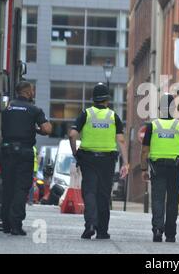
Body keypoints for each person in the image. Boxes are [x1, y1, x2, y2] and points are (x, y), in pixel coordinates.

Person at [69, 83, 129, 240]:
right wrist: (126, 163)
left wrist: (75, 152)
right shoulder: (113, 116)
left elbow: (72, 134)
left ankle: (89, 225)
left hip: (88, 158)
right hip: (107, 161)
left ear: (93, 99)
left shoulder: (86, 114)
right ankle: (102, 231)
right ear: (107, 100)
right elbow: (121, 140)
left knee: (89, 191)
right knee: (103, 194)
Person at [140, 94, 179, 243]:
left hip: (157, 168)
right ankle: (170, 233)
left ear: (159, 109)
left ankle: (158, 229)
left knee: (158, 199)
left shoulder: (152, 126)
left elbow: (145, 150)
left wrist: (144, 169)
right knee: (172, 201)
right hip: (174, 168)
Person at [1, 81, 52, 235]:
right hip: (24, 152)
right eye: (33, 90)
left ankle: (5, 224)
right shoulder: (33, 109)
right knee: (21, 188)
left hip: (7, 151)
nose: (34, 92)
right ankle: (16, 225)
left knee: (8, 186)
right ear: (28, 92)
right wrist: (35, 129)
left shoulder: (7, 107)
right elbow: (47, 129)